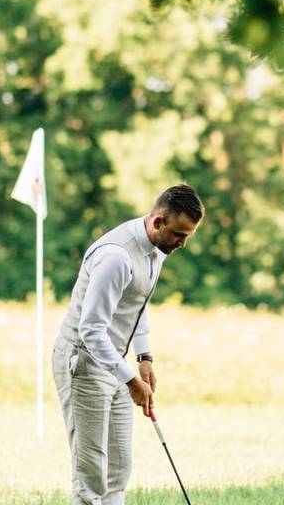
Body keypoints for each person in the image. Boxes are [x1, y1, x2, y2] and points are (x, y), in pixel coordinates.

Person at [52, 183, 203, 505]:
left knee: (119, 468)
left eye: (188, 236)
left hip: (115, 362)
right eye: (179, 234)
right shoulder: (116, 257)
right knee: (91, 471)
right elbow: (91, 329)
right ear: (158, 222)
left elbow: (138, 302)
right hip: (83, 362)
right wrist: (131, 379)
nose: (183, 243)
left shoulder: (158, 250)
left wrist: (144, 358)